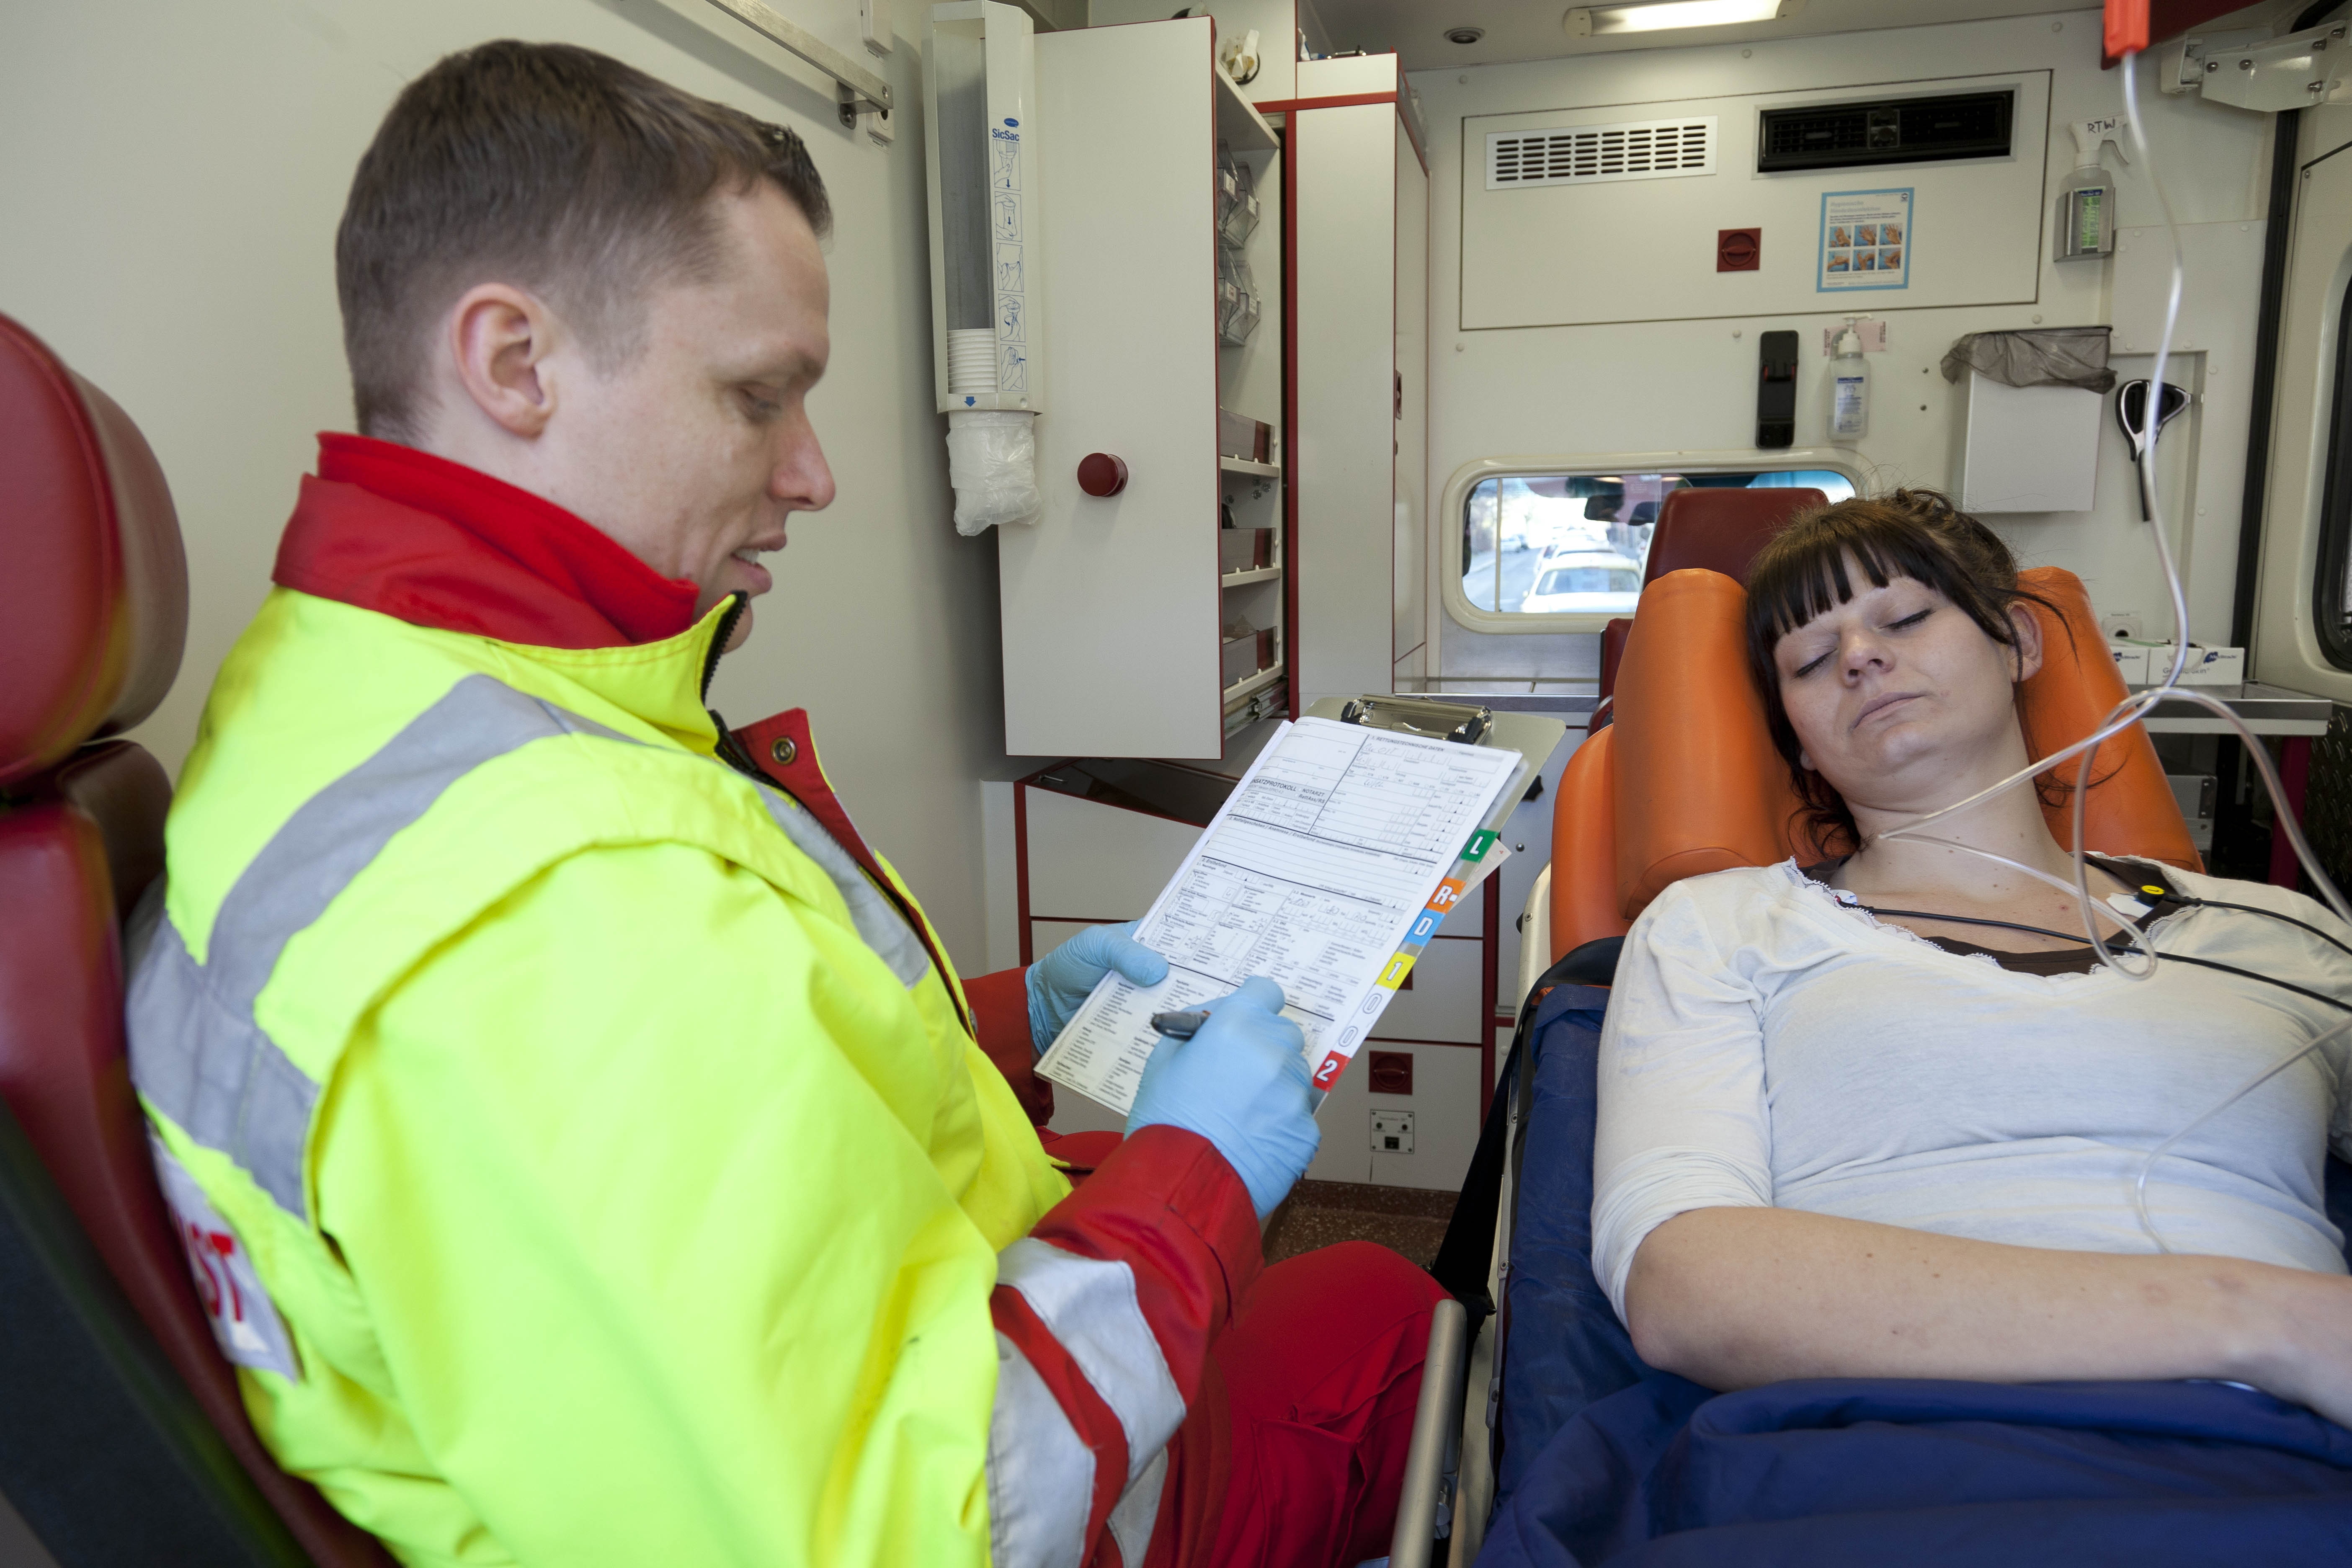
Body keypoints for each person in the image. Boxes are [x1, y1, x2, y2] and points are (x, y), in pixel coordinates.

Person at [126, 41, 1444, 1568]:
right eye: (761, 397)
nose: (814, 475)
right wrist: (1197, 1176)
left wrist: (999, 1024)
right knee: (1392, 1323)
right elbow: (927, 1527)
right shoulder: (552, 918)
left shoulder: (360, 692)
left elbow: (735, 1094)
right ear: (511, 363)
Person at [1590, 489, 2352, 1430]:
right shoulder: (1723, 928)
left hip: (2282, 1473)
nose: (1862, 655)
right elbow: (1685, 1286)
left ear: (2020, 643)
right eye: (1812, 660)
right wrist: (2266, 1321)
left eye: (1906, 617)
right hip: (1896, 1458)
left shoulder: (2276, 934)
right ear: (1800, 742)